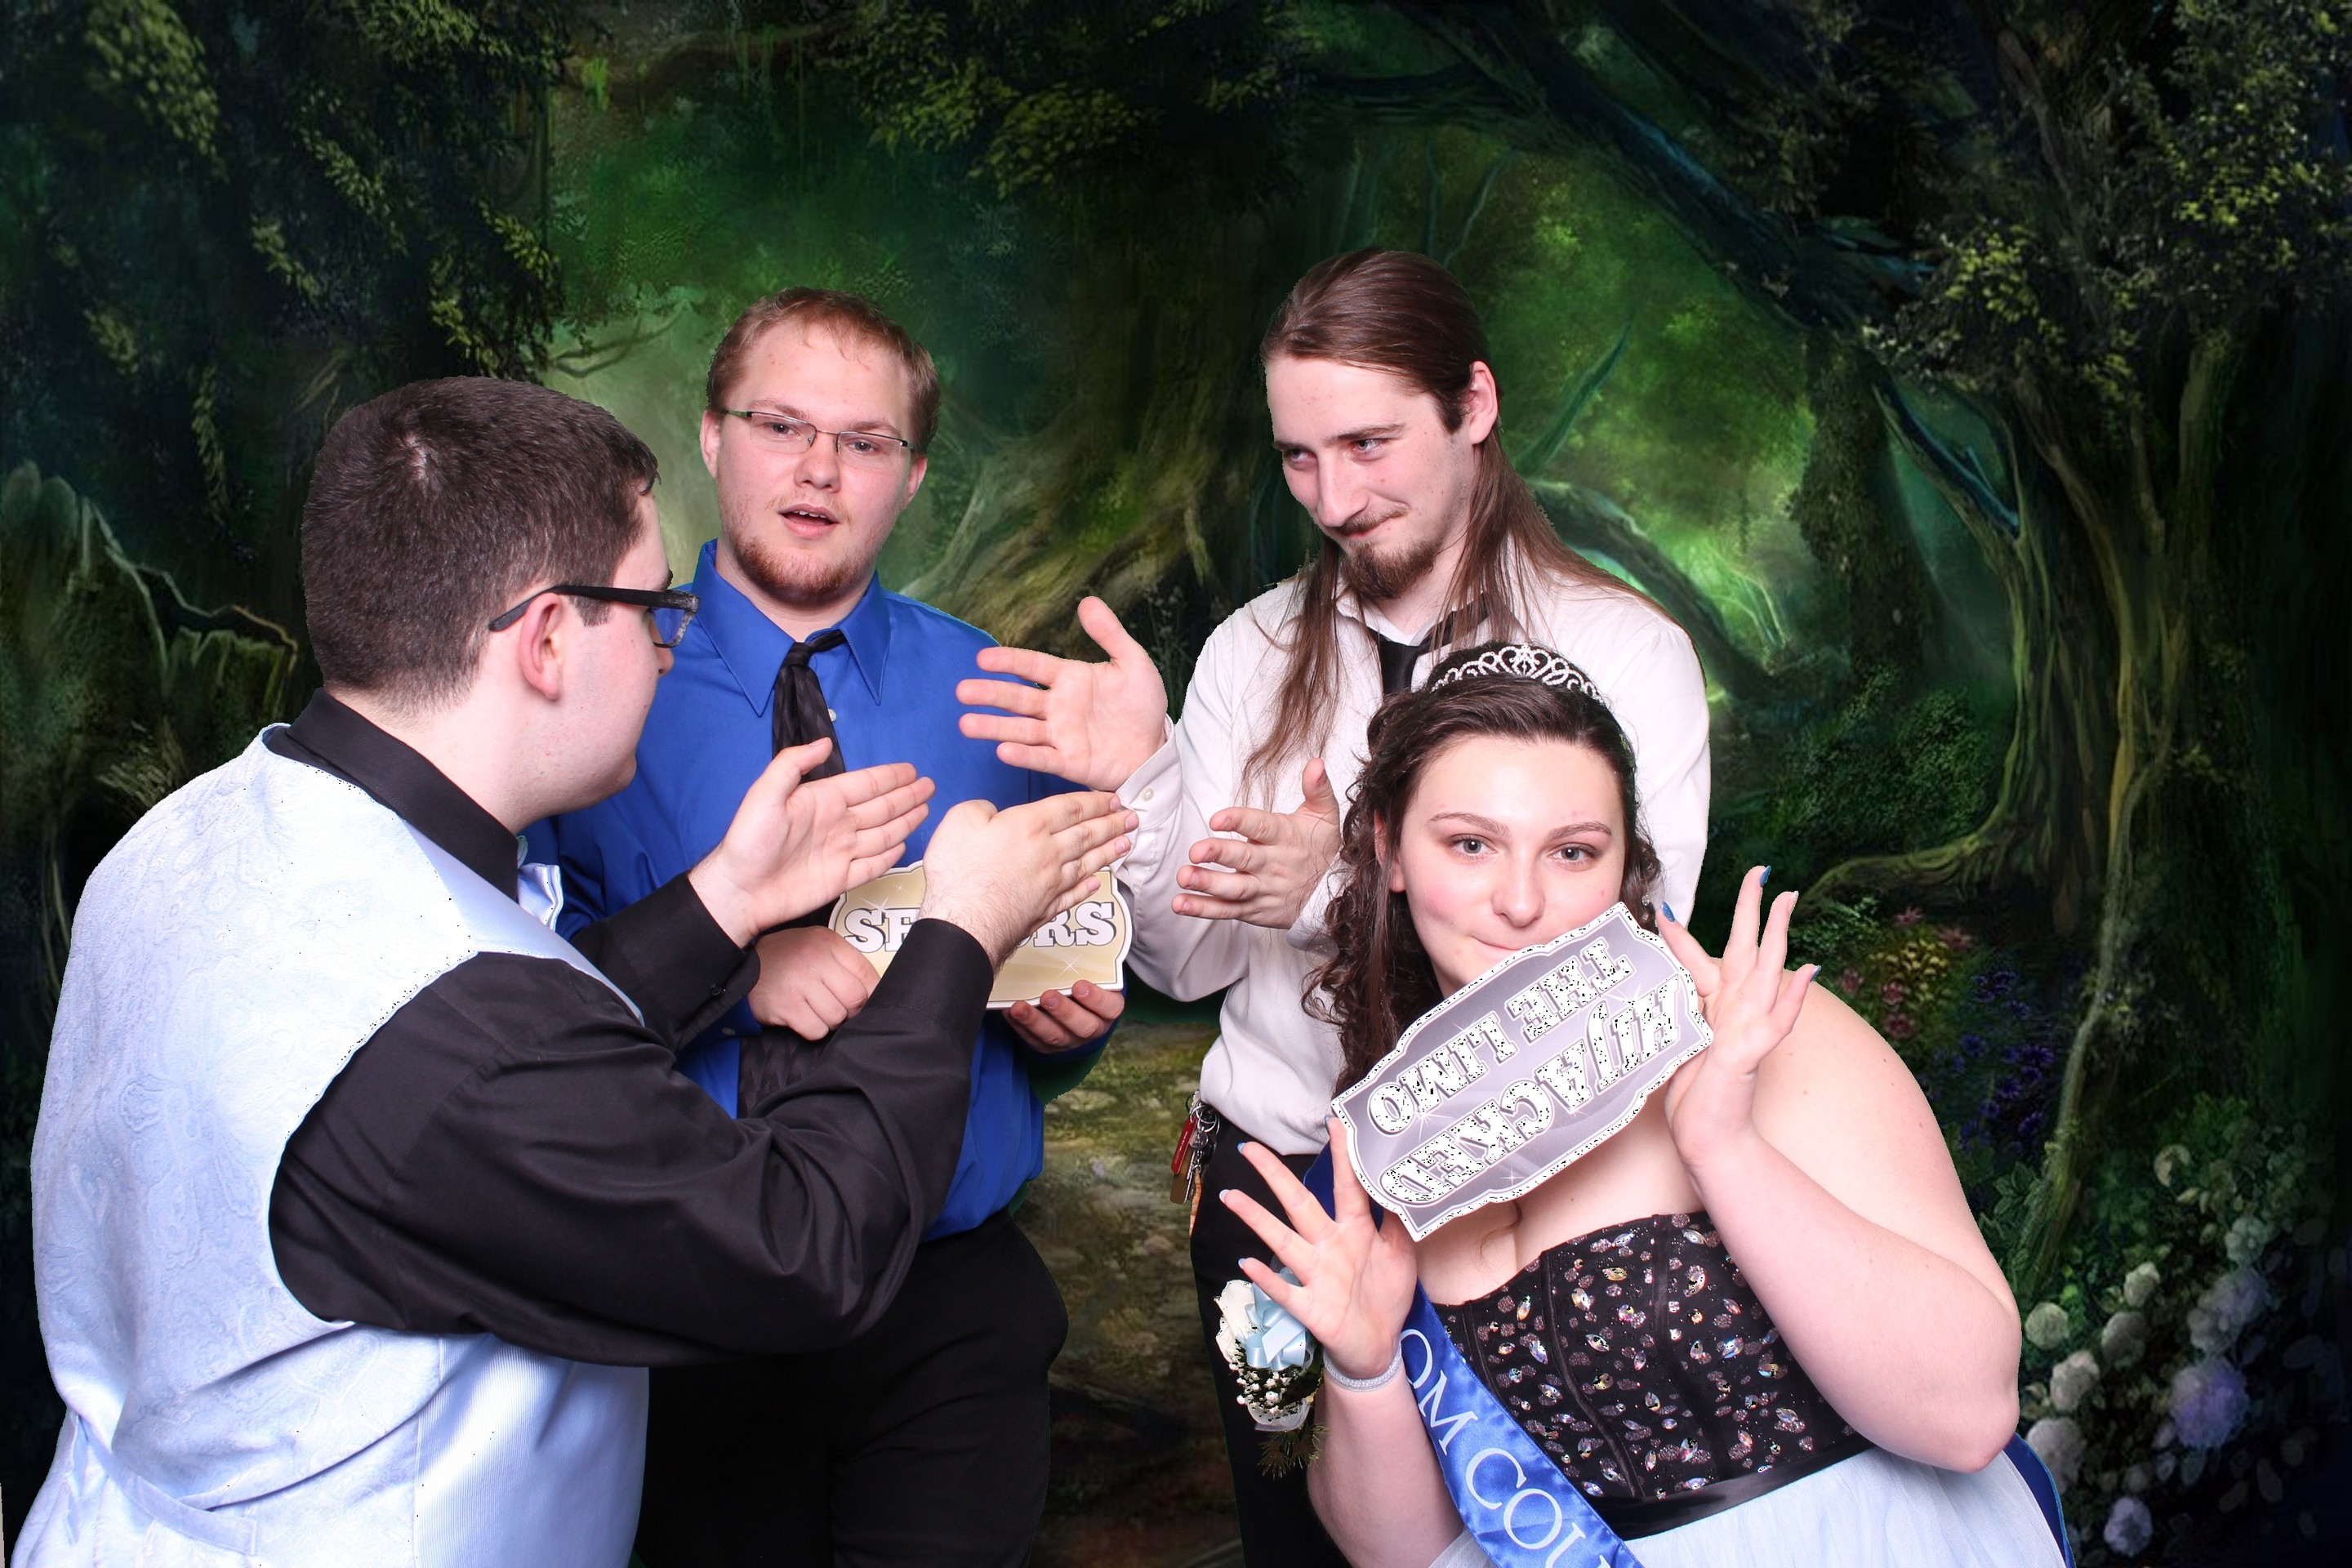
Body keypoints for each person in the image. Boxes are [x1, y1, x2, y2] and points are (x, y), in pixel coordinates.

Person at [15, 376, 1133, 1568]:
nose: (667, 649)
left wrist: (723, 902)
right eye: (655, 613)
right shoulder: (472, 1038)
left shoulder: (191, 833)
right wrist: (959, 928)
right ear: (548, 640)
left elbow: (465, 1034)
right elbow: (806, 1252)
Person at [957, 249, 1713, 1560]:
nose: (1336, 499)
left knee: (1509, 1533)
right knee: (1291, 1524)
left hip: (1529, 1199)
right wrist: (1142, 778)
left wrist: (1346, 887)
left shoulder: (1627, 654)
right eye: (1300, 458)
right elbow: (1186, 967)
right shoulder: (1251, 652)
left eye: (1369, 444)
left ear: (1473, 407)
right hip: (1274, 1196)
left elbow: (1631, 978)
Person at [1214, 642, 2062, 1567]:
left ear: (1624, 867)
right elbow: (1410, 1556)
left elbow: (1968, 1416)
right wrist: (1367, 1367)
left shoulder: (1750, 1032)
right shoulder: (1393, 1152)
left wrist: (1724, 1149)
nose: (1522, 901)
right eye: (1471, 844)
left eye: (1573, 852)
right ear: (1389, 849)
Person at [528, 287, 1123, 1568]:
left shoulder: (1000, 696)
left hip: (948, 1302)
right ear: (710, 436)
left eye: (863, 442)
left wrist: (1065, 1027)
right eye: (782, 425)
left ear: (912, 478)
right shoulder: (592, 688)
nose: (817, 469)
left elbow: (1063, 977)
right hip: (688, 1296)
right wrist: (740, 973)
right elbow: (516, 1013)